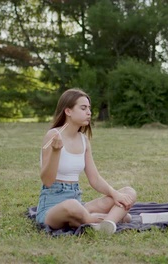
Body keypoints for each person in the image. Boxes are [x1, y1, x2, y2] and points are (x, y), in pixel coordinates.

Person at [36, 88, 137, 234]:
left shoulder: (83, 140)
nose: (89, 112)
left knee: (129, 192)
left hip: (79, 204)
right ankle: (99, 219)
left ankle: (106, 223)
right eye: (83, 108)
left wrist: (115, 194)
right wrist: (56, 152)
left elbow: (94, 179)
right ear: (68, 111)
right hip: (52, 209)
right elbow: (47, 181)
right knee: (72, 206)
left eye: (89, 108)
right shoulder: (53, 135)